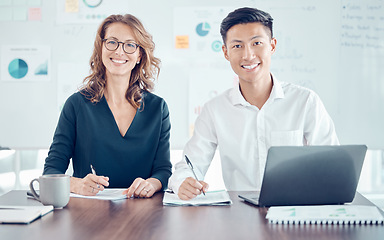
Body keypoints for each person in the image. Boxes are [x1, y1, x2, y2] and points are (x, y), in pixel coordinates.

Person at [168, 7, 339, 200]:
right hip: (240, 216)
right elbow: (187, 166)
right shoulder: (215, 110)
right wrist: (185, 181)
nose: (248, 55)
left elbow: (332, 167)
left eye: (256, 43)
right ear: (225, 52)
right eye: (237, 46)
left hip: (295, 211)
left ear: (272, 46)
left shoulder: (306, 102)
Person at [43, 14, 172, 198]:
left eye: (130, 45)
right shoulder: (77, 104)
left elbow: (163, 170)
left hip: (142, 213)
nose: (119, 52)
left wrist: (151, 184)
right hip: (88, 213)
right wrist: (77, 184)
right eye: (112, 42)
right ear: (101, 48)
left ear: (139, 55)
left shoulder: (157, 108)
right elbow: (51, 171)